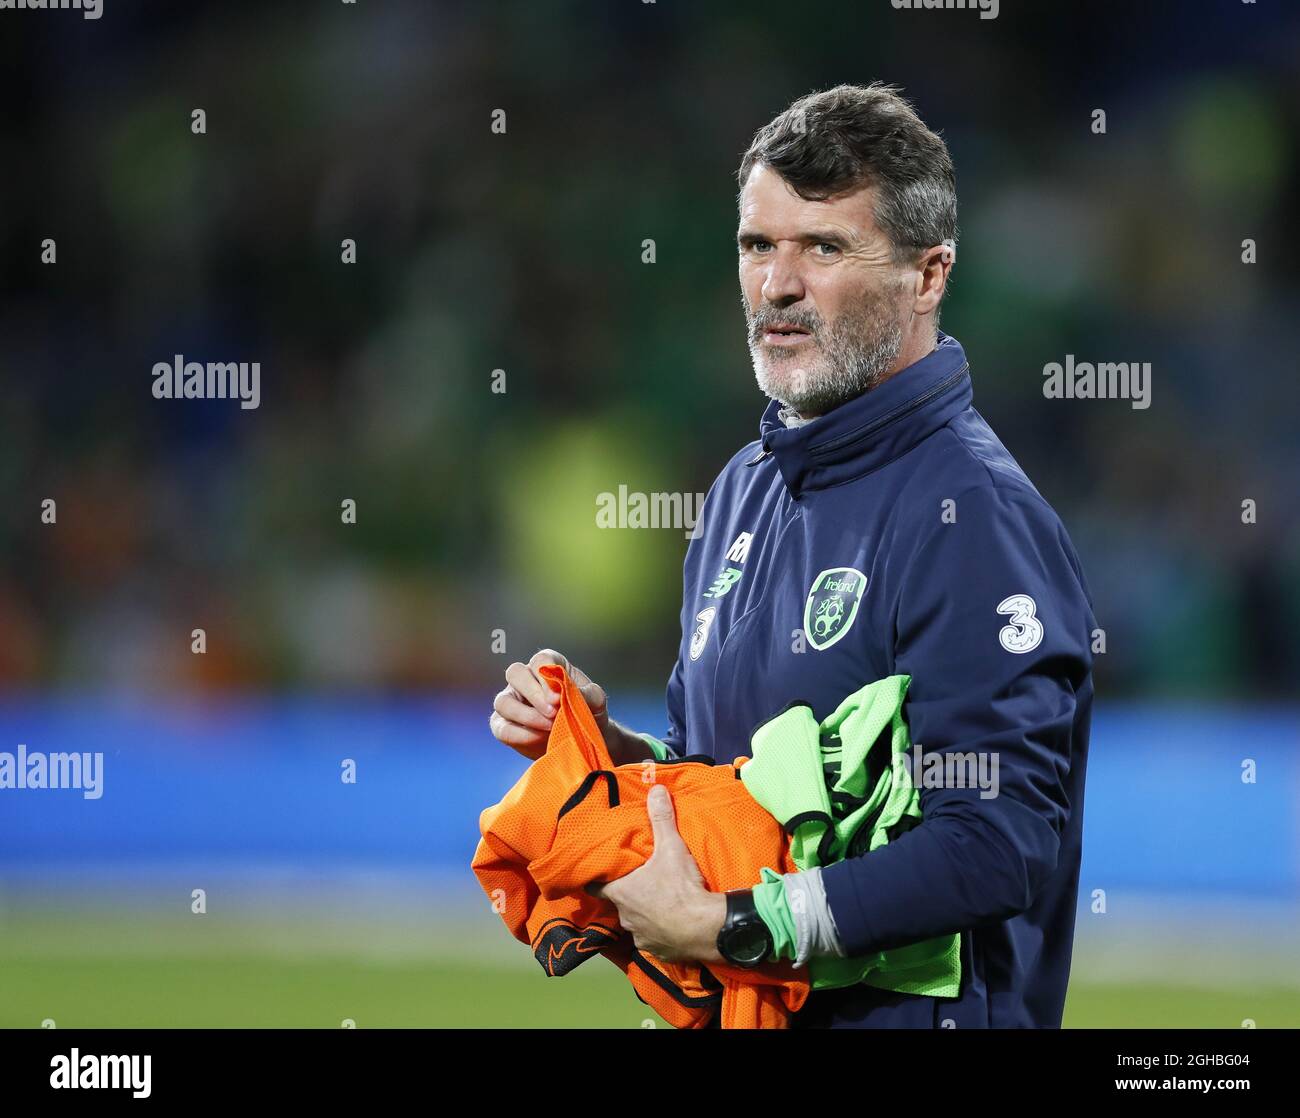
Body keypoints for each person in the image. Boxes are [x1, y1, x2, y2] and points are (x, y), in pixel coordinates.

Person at [489, 83, 1095, 1029]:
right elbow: (732, 791)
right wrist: (619, 755)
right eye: (757, 245)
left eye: (824, 247)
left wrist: (739, 925)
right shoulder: (741, 490)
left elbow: (996, 841)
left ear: (927, 276)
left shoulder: (969, 515)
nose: (777, 284)